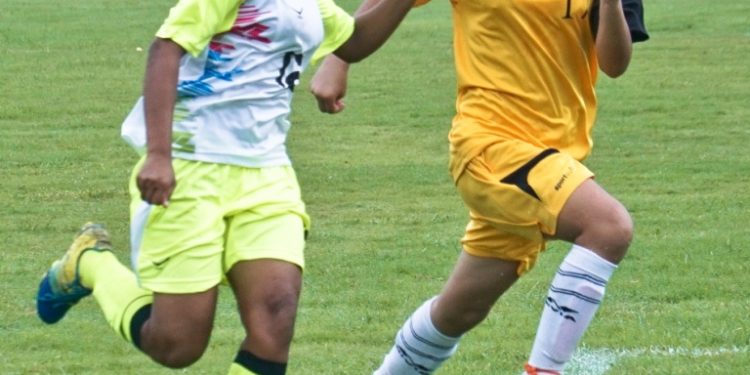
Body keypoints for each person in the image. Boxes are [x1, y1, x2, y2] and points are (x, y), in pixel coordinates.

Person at [35, 0, 416, 373]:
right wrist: (158, 154)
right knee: (177, 345)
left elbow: (353, 40)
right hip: (191, 169)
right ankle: (91, 264)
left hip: (267, 175)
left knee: (277, 314)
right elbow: (166, 49)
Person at [310, 0, 649, 373]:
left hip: (553, 157)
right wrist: (338, 58)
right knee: (608, 227)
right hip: (490, 146)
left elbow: (614, 63)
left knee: (458, 312)